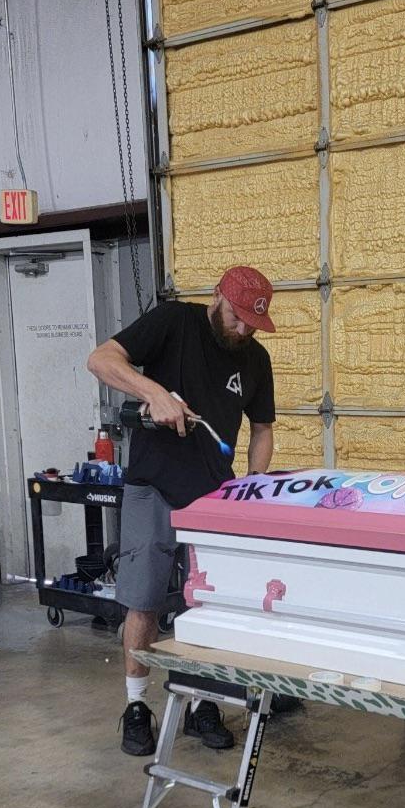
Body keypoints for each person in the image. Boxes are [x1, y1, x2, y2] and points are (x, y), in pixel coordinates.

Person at [88, 265, 288, 756]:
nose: (243, 330)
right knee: (145, 599)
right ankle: (137, 705)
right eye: (238, 317)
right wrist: (153, 393)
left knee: (208, 604)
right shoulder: (174, 322)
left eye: (252, 324)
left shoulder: (255, 360)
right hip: (153, 487)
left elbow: (261, 429)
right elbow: (101, 359)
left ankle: (202, 702)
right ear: (217, 297)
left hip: (213, 500)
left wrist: (253, 486)